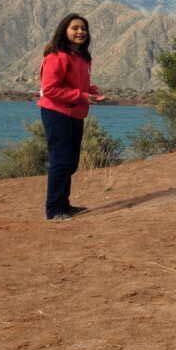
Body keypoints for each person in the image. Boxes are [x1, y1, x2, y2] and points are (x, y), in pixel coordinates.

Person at [38, 13, 105, 222]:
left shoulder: (83, 57)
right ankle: (54, 210)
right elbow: (49, 89)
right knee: (61, 160)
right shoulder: (56, 56)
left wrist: (91, 91)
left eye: (83, 28)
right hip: (57, 113)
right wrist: (82, 96)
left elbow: (77, 84)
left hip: (75, 112)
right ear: (64, 31)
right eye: (75, 28)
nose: (80, 32)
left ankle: (64, 205)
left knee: (71, 162)